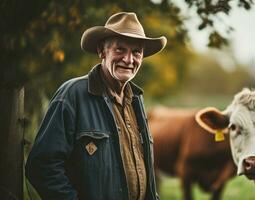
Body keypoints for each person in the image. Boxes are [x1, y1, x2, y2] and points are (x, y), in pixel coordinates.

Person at [25, 12, 166, 200]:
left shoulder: (136, 100)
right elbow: (42, 166)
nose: (129, 59)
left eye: (136, 52)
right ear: (102, 50)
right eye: (120, 50)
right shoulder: (72, 94)